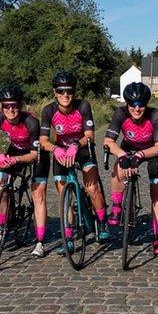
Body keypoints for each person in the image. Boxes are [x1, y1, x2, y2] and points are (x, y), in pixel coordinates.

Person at [39, 71, 109, 253]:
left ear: (74, 92)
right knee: (65, 198)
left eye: (69, 91)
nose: (65, 95)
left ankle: (102, 223)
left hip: (82, 149)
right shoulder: (48, 110)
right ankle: (68, 238)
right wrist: (56, 149)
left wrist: (76, 144)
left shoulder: (83, 106)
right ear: (55, 92)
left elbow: (90, 135)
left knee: (92, 188)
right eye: (61, 91)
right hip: (61, 152)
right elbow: (44, 141)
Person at [104, 82, 158, 256]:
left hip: (154, 150)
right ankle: (117, 207)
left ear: (146, 104)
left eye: (141, 104)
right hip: (130, 146)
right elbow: (108, 142)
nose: (137, 108)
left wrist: (140, 155)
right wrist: (122, 155)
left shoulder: (155, 115)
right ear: (127, 104)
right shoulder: (120, 113)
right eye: (133, 104)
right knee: (118, 166)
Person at [0, 84, 50, 258]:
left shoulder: (31, 121)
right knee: (1, 184)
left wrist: (15, 159)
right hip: (15, 149)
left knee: (38, 194)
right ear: (1, 106)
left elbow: (32, 155)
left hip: (36, 155)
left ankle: (40, 242)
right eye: (6, 105)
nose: (11, 109)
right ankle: (0, 226)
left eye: (14, 105)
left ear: (20, 105)